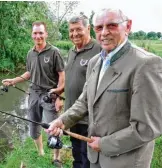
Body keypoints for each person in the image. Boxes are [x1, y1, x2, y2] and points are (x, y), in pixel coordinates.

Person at [48, 8, 162, 168]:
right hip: (95, 158)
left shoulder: (146, 64)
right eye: (99, 27)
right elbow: (84, 100)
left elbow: (148, 127)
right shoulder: (95, 62)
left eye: (112, 26)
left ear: (128, 26)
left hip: (126, 162)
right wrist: (62, 120)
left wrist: (105, 144)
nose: (104, 33)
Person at [2, 21, 65, 167]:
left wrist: (60, 96)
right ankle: (41, 152)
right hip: (33, 94)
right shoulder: (30, 53)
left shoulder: (54, 52)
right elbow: (29, 73)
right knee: (33, 126)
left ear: (46, 34)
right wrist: (14, 81)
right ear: (32, 35)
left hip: (51, 94)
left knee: (54, 128)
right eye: (35, 33)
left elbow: (62, 75)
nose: (38, 36)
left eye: (41, 33)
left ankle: (56, 157)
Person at [65, 15, 101, 168]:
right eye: (71, 30)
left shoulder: (99, 49)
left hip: (90, 118)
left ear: (88, 28)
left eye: (78, 29)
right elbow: (72, 79)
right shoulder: (72, 51)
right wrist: (58, 92)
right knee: (77, 155)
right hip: (72, 116)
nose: (75, 34)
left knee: (88, 158)